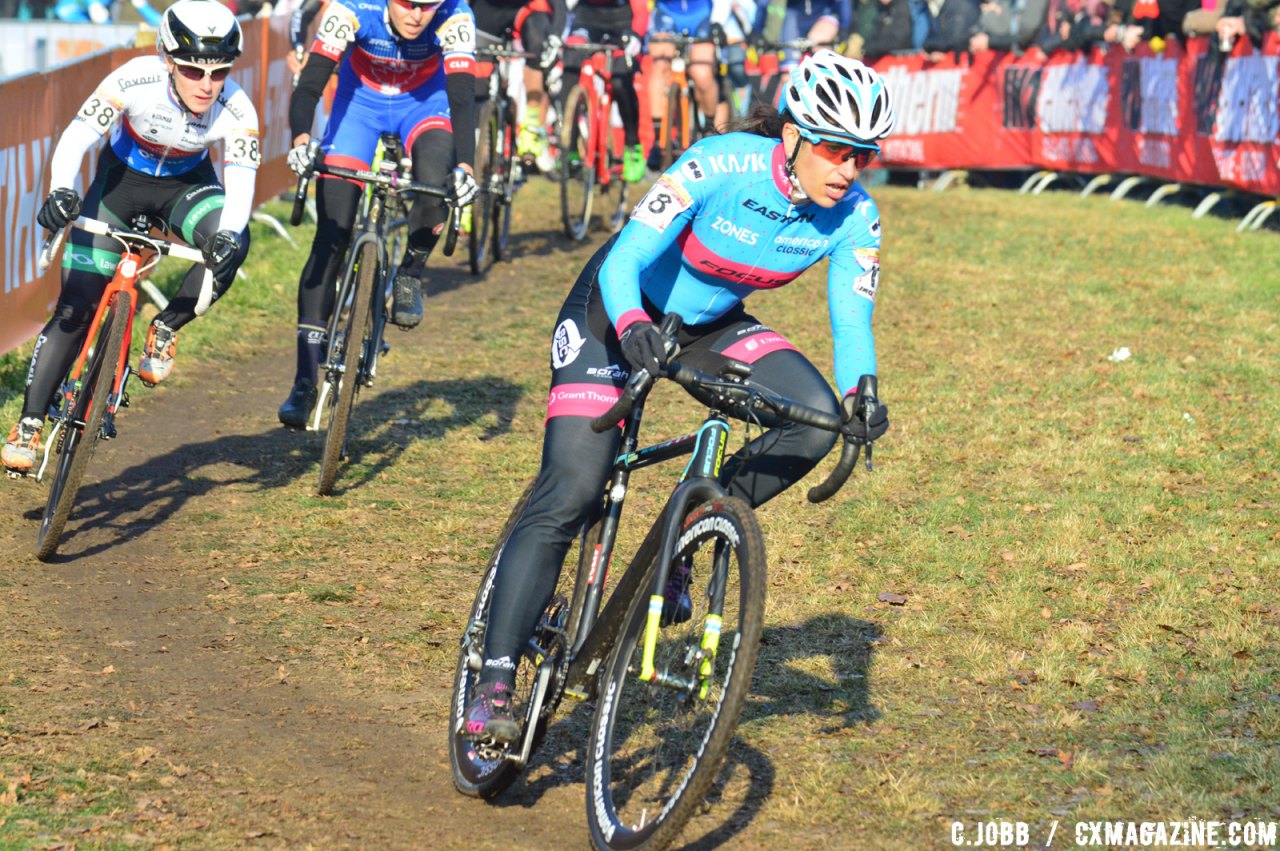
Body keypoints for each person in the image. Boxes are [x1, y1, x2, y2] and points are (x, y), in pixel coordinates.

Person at [461, 49, 893, 741]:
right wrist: (632, 327)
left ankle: (690, 532)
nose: (847, 170)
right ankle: (495, 681)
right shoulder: (719, 163)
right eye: (836, 150)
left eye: (862, 157)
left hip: (708, 327)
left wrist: (860, 392)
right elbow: (628, 257)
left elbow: (851, 317)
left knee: (813, 425)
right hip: (616, 312)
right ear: (793, 135)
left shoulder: (853, 217)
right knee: (573, 488)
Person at [2, 0, 258, 475]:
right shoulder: (133, 78)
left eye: (219, 72)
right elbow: (77, 136)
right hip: (120, 186)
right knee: (75, 307)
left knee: (234, 243)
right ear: (167, 59)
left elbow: (241, 185)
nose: (206, 85)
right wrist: (62, 191)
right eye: (191, 70)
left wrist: (227, 235)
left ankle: (165, 328)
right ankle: (29, 423)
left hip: (188, 188)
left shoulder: (236, 107)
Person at [279, 0, 480, 428]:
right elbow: (311, 82)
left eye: (428, 7)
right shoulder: (352, 8)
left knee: (433, 186)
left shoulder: (456, 15)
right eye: (408, 4)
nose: (417, 16)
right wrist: (300, 140)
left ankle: (409, 272)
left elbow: (463, 97)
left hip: (426, 106)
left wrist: (465, 167)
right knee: (331, 235)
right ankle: (302, 380)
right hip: (360, 106)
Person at [468, 0, 567, 169]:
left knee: (537, 48)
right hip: (488, 8)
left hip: (528, 8)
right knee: (477, 75)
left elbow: (559, 4)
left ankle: (531, 125)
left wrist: (556, 35)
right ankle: (481, 134)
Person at [563, 0, 648, 183]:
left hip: (621, 20)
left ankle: (632, 145)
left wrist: (636, 34)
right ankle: (569, 147)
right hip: (587, 18)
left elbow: (640, 9)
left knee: (619, 81)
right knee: (570, 66)